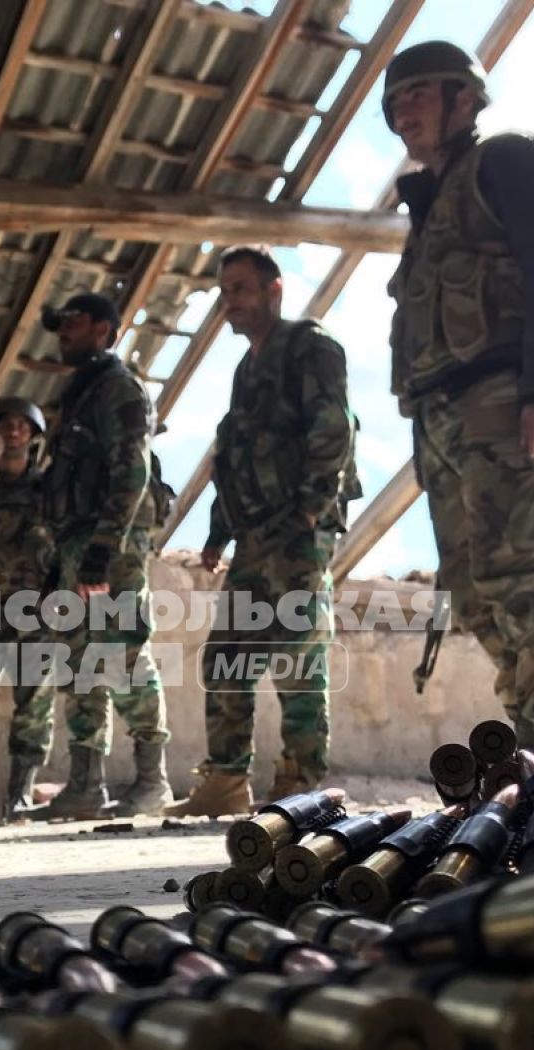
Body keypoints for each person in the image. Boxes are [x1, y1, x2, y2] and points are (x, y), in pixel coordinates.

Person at [381, 40, 534, 792]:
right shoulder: (429, 206)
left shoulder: (508, 163)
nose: (403, 111)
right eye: (396, 102)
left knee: (520, 580)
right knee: (478, 597)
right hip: (444, 425)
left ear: (464, 98)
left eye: (419, 94)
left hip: (504, 401)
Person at [168, 247, 357, 818]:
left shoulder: (311, 347)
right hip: (254, 538)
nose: (231, 303)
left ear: (275, 290)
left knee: (298, 659)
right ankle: (225, 780)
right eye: (225, 292)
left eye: (242, 290)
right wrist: (218, 534)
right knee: (226, 656)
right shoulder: (246, 371)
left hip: (298, 533)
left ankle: (302, 784)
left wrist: (309, 511)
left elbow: (334, 429)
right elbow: (237, 457)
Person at [34, 293, 172, 819]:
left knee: (123, 655)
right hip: (77, 545)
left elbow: (132, 471)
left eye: (72, 322)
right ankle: (85, 786)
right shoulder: (79, 394)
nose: (63, 332)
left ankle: (151, 781)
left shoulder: (119, 388)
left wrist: (103, 550)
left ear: (105, 330)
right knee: (79, 663)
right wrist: (61, 559)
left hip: (108, 547)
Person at [0, 396, 57, 818]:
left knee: (34, 702)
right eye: (5, 424)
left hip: (35, 608)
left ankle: (21, 790)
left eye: (21, 425)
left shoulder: (48, 491)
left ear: (32, 435)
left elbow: (64, 546)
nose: (13, 431)